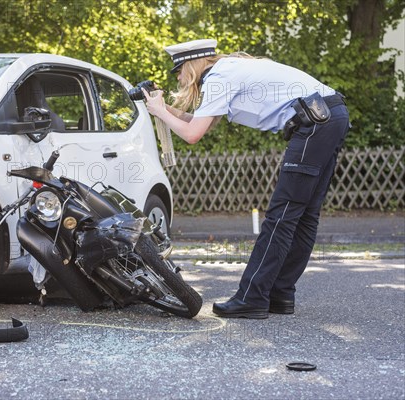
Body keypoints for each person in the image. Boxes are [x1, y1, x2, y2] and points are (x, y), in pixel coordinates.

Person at [142, 39, 350, 319]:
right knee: (304, 214)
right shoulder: (229, 71)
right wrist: (163, 108)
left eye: (178, 70)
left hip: (314, 123)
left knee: (283, 214)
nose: (178, 77)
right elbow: (197, 121)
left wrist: (158, 111)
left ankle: (252, 297)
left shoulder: (218, 78)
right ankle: (279, 294)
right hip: (329, 116)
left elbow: (192, 135)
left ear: (191, 66)